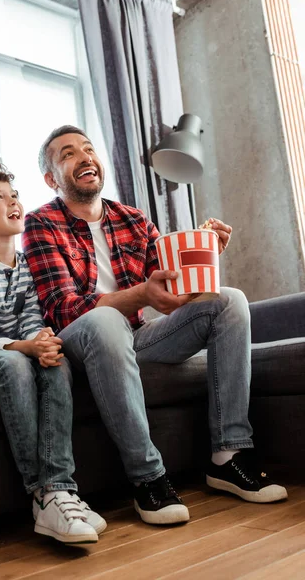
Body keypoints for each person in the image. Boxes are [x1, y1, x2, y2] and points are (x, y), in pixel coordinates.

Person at [22, 125, 288, 525]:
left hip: (134, 339)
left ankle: (228, 456)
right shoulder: (40, 223)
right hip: (79, 342)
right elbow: (63, 310)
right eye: (67, 155)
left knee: (229, 300)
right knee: (106, 320)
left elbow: (174, 288)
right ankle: (148, 477)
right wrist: (141, 296)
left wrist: (205, 252)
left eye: (88, 149)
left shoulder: (132, 218)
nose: (83, 157)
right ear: (51, 178)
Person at [0, 160, 106, 544]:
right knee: (15, 364)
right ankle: (41, 493)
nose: (13, 201)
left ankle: (61, 489)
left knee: (56, 365)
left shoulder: (29, 266)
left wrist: (42, 342)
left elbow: (32, 319)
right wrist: (27, 347)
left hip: (14, 347)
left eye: (14, 195)